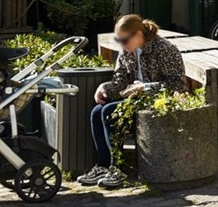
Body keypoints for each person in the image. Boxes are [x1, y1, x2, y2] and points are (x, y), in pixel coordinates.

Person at [79, 13, 187, 190]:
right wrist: (104, 88)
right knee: (97, 111)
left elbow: (177, 84)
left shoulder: (164, 49)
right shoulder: (126, 51)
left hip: (157, 101)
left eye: (124, 40)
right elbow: (120, 79)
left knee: (109, 112)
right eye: (118, 40)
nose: (121, 44)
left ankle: (117, 168)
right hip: (135, 99)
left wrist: (145, 88)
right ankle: (103, 165)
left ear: (138, 35)